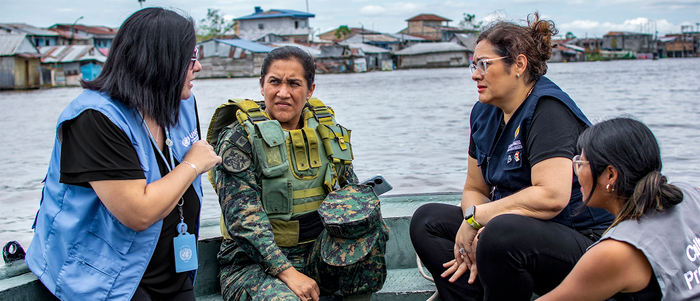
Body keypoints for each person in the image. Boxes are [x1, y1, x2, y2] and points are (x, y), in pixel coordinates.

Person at [409, 13, 615, 300]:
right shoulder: (484, 111)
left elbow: (552, 196)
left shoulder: (548, 110)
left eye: (484, 64)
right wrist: (476, 223)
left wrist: (479, 221)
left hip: (580, 242)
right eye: (473, 65)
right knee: (426, 220)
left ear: (519, 64)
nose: (475, 74)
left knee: (501, 234)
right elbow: (475, 188)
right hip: (511, 232)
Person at [25, 8, 221, 301]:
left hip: (171, 268)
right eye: (191, 56)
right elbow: (137, 212)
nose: (198, 66)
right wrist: (192, 164)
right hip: (107, 277)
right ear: (160, 60)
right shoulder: (95, 118)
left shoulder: (179, 102)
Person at [208, 46, 388, 301]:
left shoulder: (326, 129)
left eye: (294, 83)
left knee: (371, 227)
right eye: (274, 82)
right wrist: (288, 272)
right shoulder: (239, 138)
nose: (283, 93)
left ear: (310, 89)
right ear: (262, 86)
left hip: (318, 253)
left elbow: (351, 191)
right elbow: (243, 221)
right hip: (252, 265)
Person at [538, 117, 696, 301]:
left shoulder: (617, 250)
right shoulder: (690, 193)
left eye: (581, 164)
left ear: (611, 175)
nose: (577, 172)